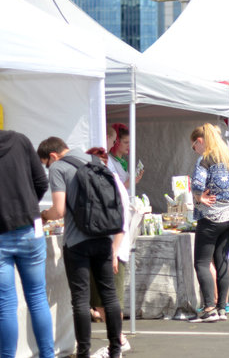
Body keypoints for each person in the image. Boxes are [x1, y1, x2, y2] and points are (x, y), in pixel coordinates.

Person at [38, 137, 123, 358]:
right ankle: (116, 350)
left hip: (77, 241)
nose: (48, 168)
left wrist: (44, 216)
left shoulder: (58, 168)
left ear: (53, 156)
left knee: (80, 300)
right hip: (103, 236)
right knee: (109, 296)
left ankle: (83, 352)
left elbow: (58, 210)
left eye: (46, 163)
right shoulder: (96, 160)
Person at [0, 130, 54, 358]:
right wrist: (29, 204)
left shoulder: (21, 140)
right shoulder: (20, 140)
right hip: (29, 229)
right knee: (37, 296)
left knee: (5, 304)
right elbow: (41, 181)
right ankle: (48, 355)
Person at [188, 124, 229, 322]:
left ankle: (209, 307)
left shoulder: (204, 159)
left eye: (194, 146)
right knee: (222, 261)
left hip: (211, 216)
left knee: (202, 262)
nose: (195, 150)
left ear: (200, 141)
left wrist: (198, 197)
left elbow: (196, 184)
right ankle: (222, 308)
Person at [85, 148, 132, 356]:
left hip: (113, 249)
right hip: (109, 248)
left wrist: (114, 251)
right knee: (102, 302)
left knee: (109, 300)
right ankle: (118, 340)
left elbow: (120, 218)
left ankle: (118, 342)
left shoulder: (109, 182)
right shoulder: (107, 181)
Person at [108, 123, 143, 192]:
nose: (129, 145)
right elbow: (109, 191)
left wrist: (135, 179)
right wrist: (128, 183)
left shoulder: (122, 161)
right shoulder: (109, 160)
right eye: (126, 142)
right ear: (116, 142)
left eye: (130, 142)